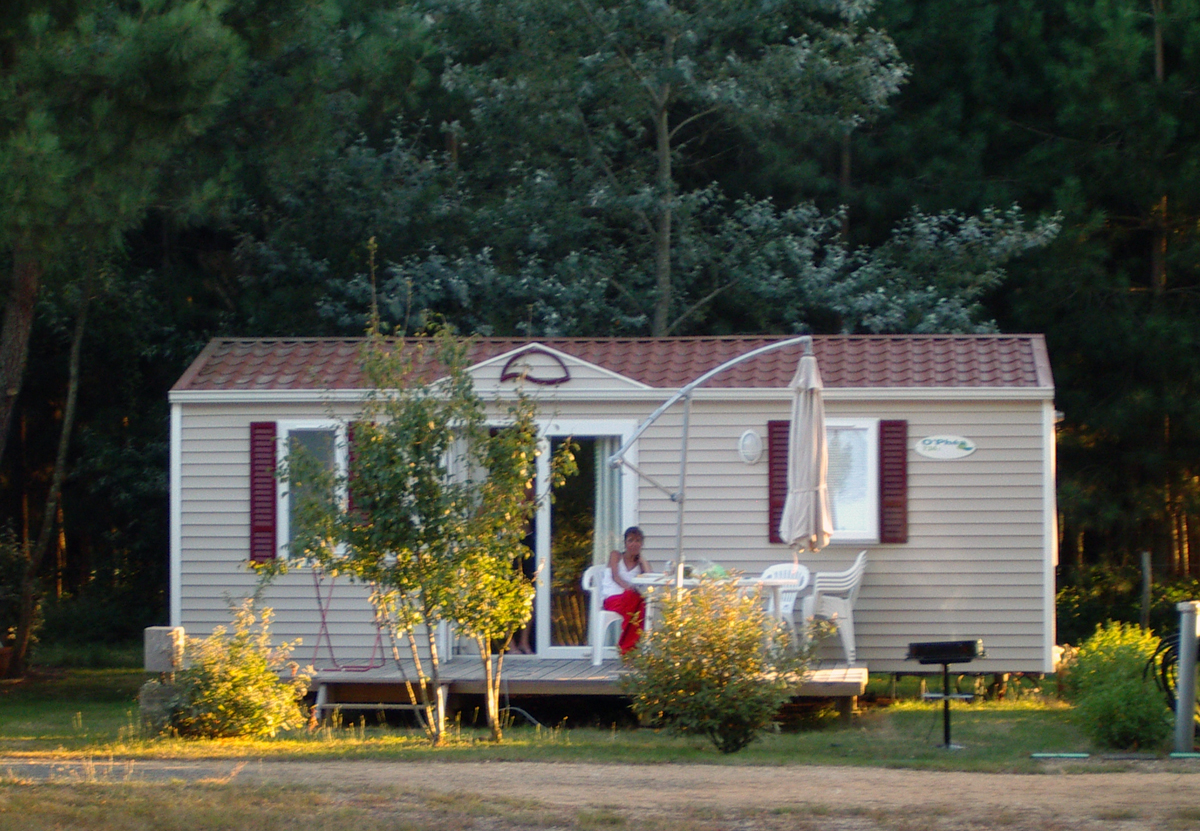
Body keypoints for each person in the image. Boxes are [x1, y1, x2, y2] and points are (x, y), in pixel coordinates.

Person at [601, 526, 650, 654]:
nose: (634, 544)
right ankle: (628, 649)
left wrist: (643, 560)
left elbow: (650, 578)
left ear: (642, 544)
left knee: (643, 606)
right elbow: (615, 577)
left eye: (638, 541)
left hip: (630, 601)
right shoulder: (616, 555)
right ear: (625, 543)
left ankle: (626, 649)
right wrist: (629, 589)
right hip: (613, 599)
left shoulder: (640, 563)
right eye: (630, 540)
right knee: (638, 602)